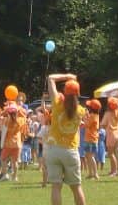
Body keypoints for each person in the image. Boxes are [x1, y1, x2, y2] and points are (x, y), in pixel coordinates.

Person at [45, 73, 87, 205]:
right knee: (76, 187)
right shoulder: (81, 111)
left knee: (56, 187)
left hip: (53, 149)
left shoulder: (57, 104)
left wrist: (67, 75)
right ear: (78, 93)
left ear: (64, 91)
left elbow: (50, 78)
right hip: (70, 150)